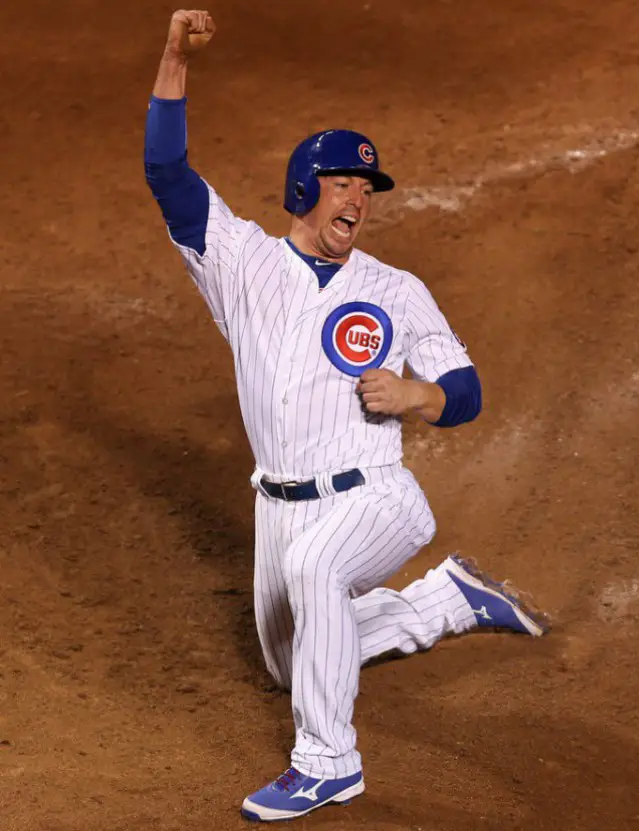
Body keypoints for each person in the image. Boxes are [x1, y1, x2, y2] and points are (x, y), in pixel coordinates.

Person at [144, 10, 549, 823]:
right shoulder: (244, 264)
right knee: (297, 663)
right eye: (344, 184)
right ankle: (450, 600)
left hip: (376, 495)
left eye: (367, 190)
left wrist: (418, 397)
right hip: (277, 508)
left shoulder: (396, 289)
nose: (359, 200)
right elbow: (167, 170)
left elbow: (464, 389)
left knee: (319, 573)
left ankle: (328, 763)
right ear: (303, 188)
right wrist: (172, 57)